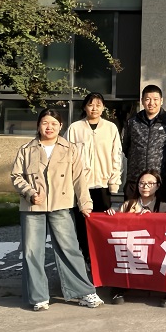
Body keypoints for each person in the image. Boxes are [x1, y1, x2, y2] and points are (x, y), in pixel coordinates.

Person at [11, 108, 104, 311]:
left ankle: (84, 292)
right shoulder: (26, 149)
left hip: (61, 205)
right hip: (32, 206)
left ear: (61, 126)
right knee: (32, 252)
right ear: (38, 125)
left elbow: (79, 178)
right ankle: (39, 297)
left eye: (54, 123)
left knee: (70, 249)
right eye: (45, 123)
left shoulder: (69, 148)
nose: (49, 127)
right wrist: (29, 192)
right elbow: (16, 176)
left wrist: (85, 203)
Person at [66, 92, 122, 259]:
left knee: (103, 224)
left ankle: (102, 258)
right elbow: (66, 156)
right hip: (80, 185)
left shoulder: (111, 128)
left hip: (103, 185)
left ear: (103, 107)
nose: (94, 108)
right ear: (84, 107)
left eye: (98, 105)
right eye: (91, 105)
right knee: (82, 224)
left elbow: (116, 156)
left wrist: (114, 183)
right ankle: (85, 259)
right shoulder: (75, 128)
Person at [104, 170, 166, 306]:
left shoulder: (164, 207)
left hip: (154, 248)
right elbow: (117, 227)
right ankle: (119, 288)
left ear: (158, 186)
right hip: (131, 247)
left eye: (150, 183)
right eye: (142, 183)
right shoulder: (128, 204)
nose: (145, 186)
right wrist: (111, 215)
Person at [121, 84, 166, 202]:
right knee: (132, 212)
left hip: (161, 181)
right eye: (148, 99)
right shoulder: (133, 122)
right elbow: (126, 147)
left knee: (162, 213)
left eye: (155, 99)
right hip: (135, 180)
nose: (151, 103)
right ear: (142, 101)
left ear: (161, 101)